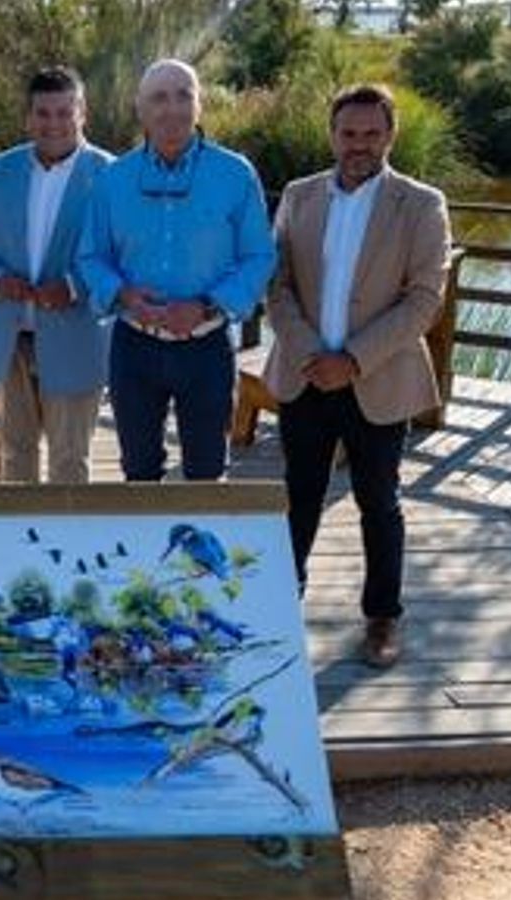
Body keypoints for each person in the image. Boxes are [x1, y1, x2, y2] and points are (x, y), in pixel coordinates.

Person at [263, 84, 452, 669]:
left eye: (372, 134)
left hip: (380, 379)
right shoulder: (297, 195)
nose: (359, 145)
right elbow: (278, 285)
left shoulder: (421, 205)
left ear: (389, 136)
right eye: (349, 134)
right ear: (332, 134)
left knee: (380, 502)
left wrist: (352, 360)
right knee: (299, 496)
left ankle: (382, 618)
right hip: (305, 375)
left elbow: (424, 300)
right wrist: (311, 355)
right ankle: (278, 605)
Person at [75, 59, 275, 482]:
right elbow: (90, 256)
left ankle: (197, 550)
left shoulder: (235, 174)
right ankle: (148, 550)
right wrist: (126, 296)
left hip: (207, 348)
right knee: (139, 472)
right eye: (159, 98)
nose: (172, 108)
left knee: (206, 472)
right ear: (141, 109)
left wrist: (206, 307)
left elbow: (259, 257)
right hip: (134, 347)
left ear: (199, 104)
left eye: (184, 95)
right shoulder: (113, 179)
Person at [0, 66, 115, 484]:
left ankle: (68, 545)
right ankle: (14, 548)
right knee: (13, 455)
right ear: (28, 118)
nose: (54, 123)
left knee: (69, 461)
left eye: (64, 112)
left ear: (82, 114)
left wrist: (76, 286)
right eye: (43, 113)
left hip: (77, 335)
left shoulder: (111, 175)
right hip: (10, 336)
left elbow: (122, 250)